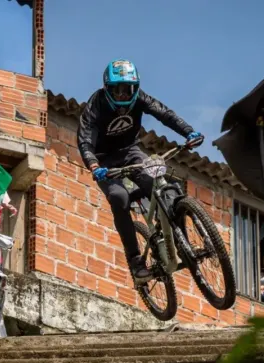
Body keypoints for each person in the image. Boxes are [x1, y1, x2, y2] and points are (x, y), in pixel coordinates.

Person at [77, 59, 204, 283]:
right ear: (107, 88)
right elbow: (85, 139)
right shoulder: (96, 104)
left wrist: (188, 132)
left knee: (161, 183)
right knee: (119, 197)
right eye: (118, 89)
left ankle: (179, 236)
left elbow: (165, 114)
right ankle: (136, 261)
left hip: (130, 152)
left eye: (129, 89)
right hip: (105, 162)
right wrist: (94, 165)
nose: (124, 95)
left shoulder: (141, 97)